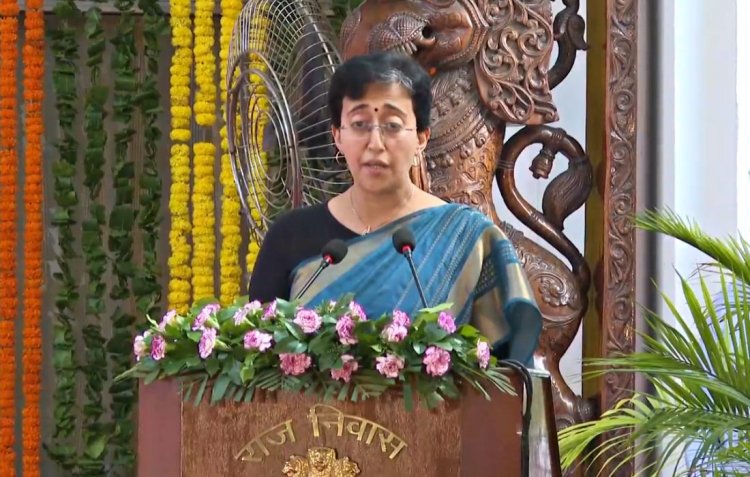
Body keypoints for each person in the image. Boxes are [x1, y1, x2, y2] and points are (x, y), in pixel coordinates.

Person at [248, 52, 542, 364]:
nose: (375, 142)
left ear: (421, 138)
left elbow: (507, 372)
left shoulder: (466, 239)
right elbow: (256, 363)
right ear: (337, 136)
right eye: (359, 124)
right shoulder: (290, 237)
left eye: (392, 125)